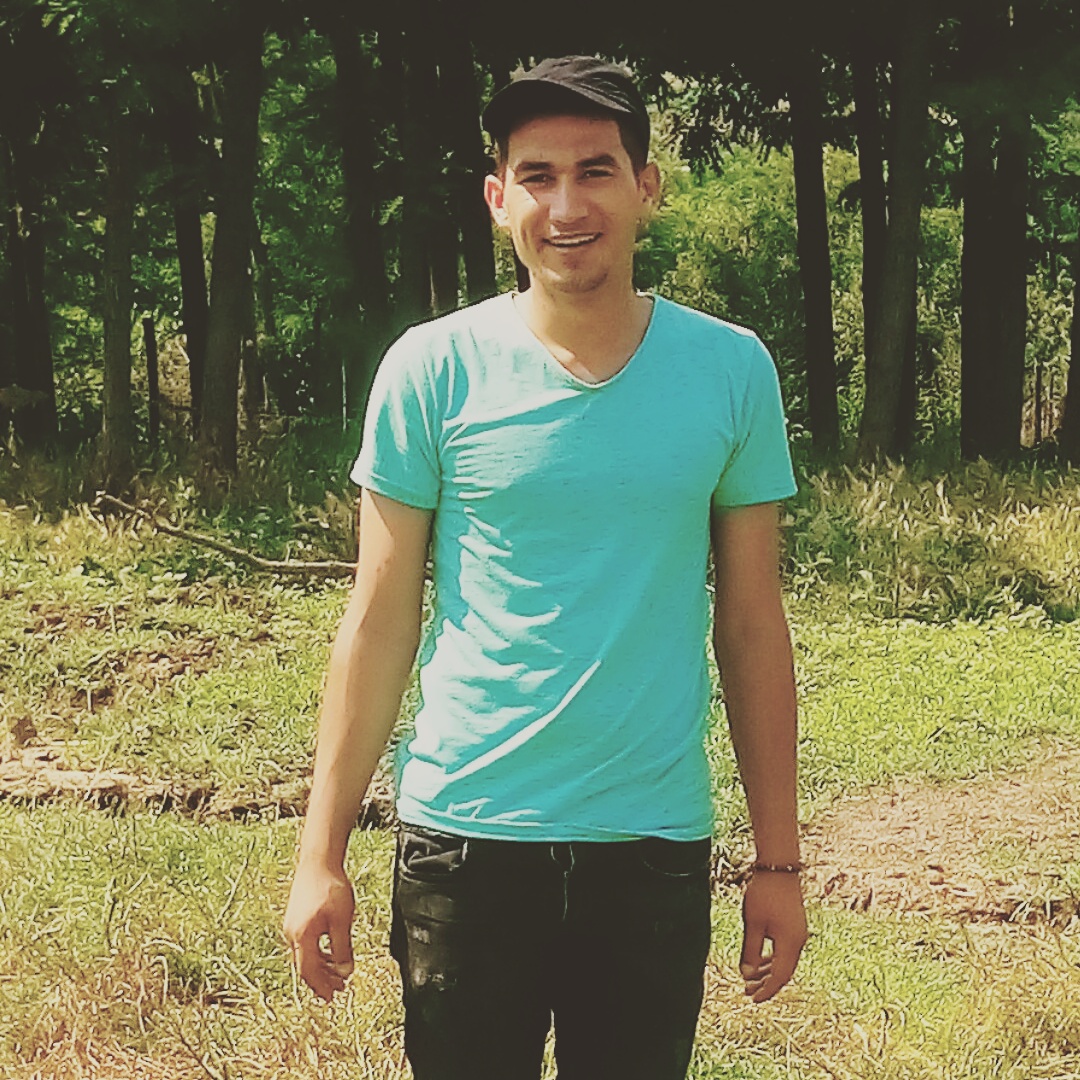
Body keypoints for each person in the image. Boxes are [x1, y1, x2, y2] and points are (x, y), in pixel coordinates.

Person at [283, 55, 807, 1080]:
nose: (567, 207)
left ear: (646, 187)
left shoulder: (730, 369)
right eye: (537, 176)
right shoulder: (430, 369)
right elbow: (378, 619)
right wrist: (320, 854)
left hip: (651, 852)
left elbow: (751, 623)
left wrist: (777, 862)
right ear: (498, 201)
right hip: (464, 846)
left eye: (595, 171)